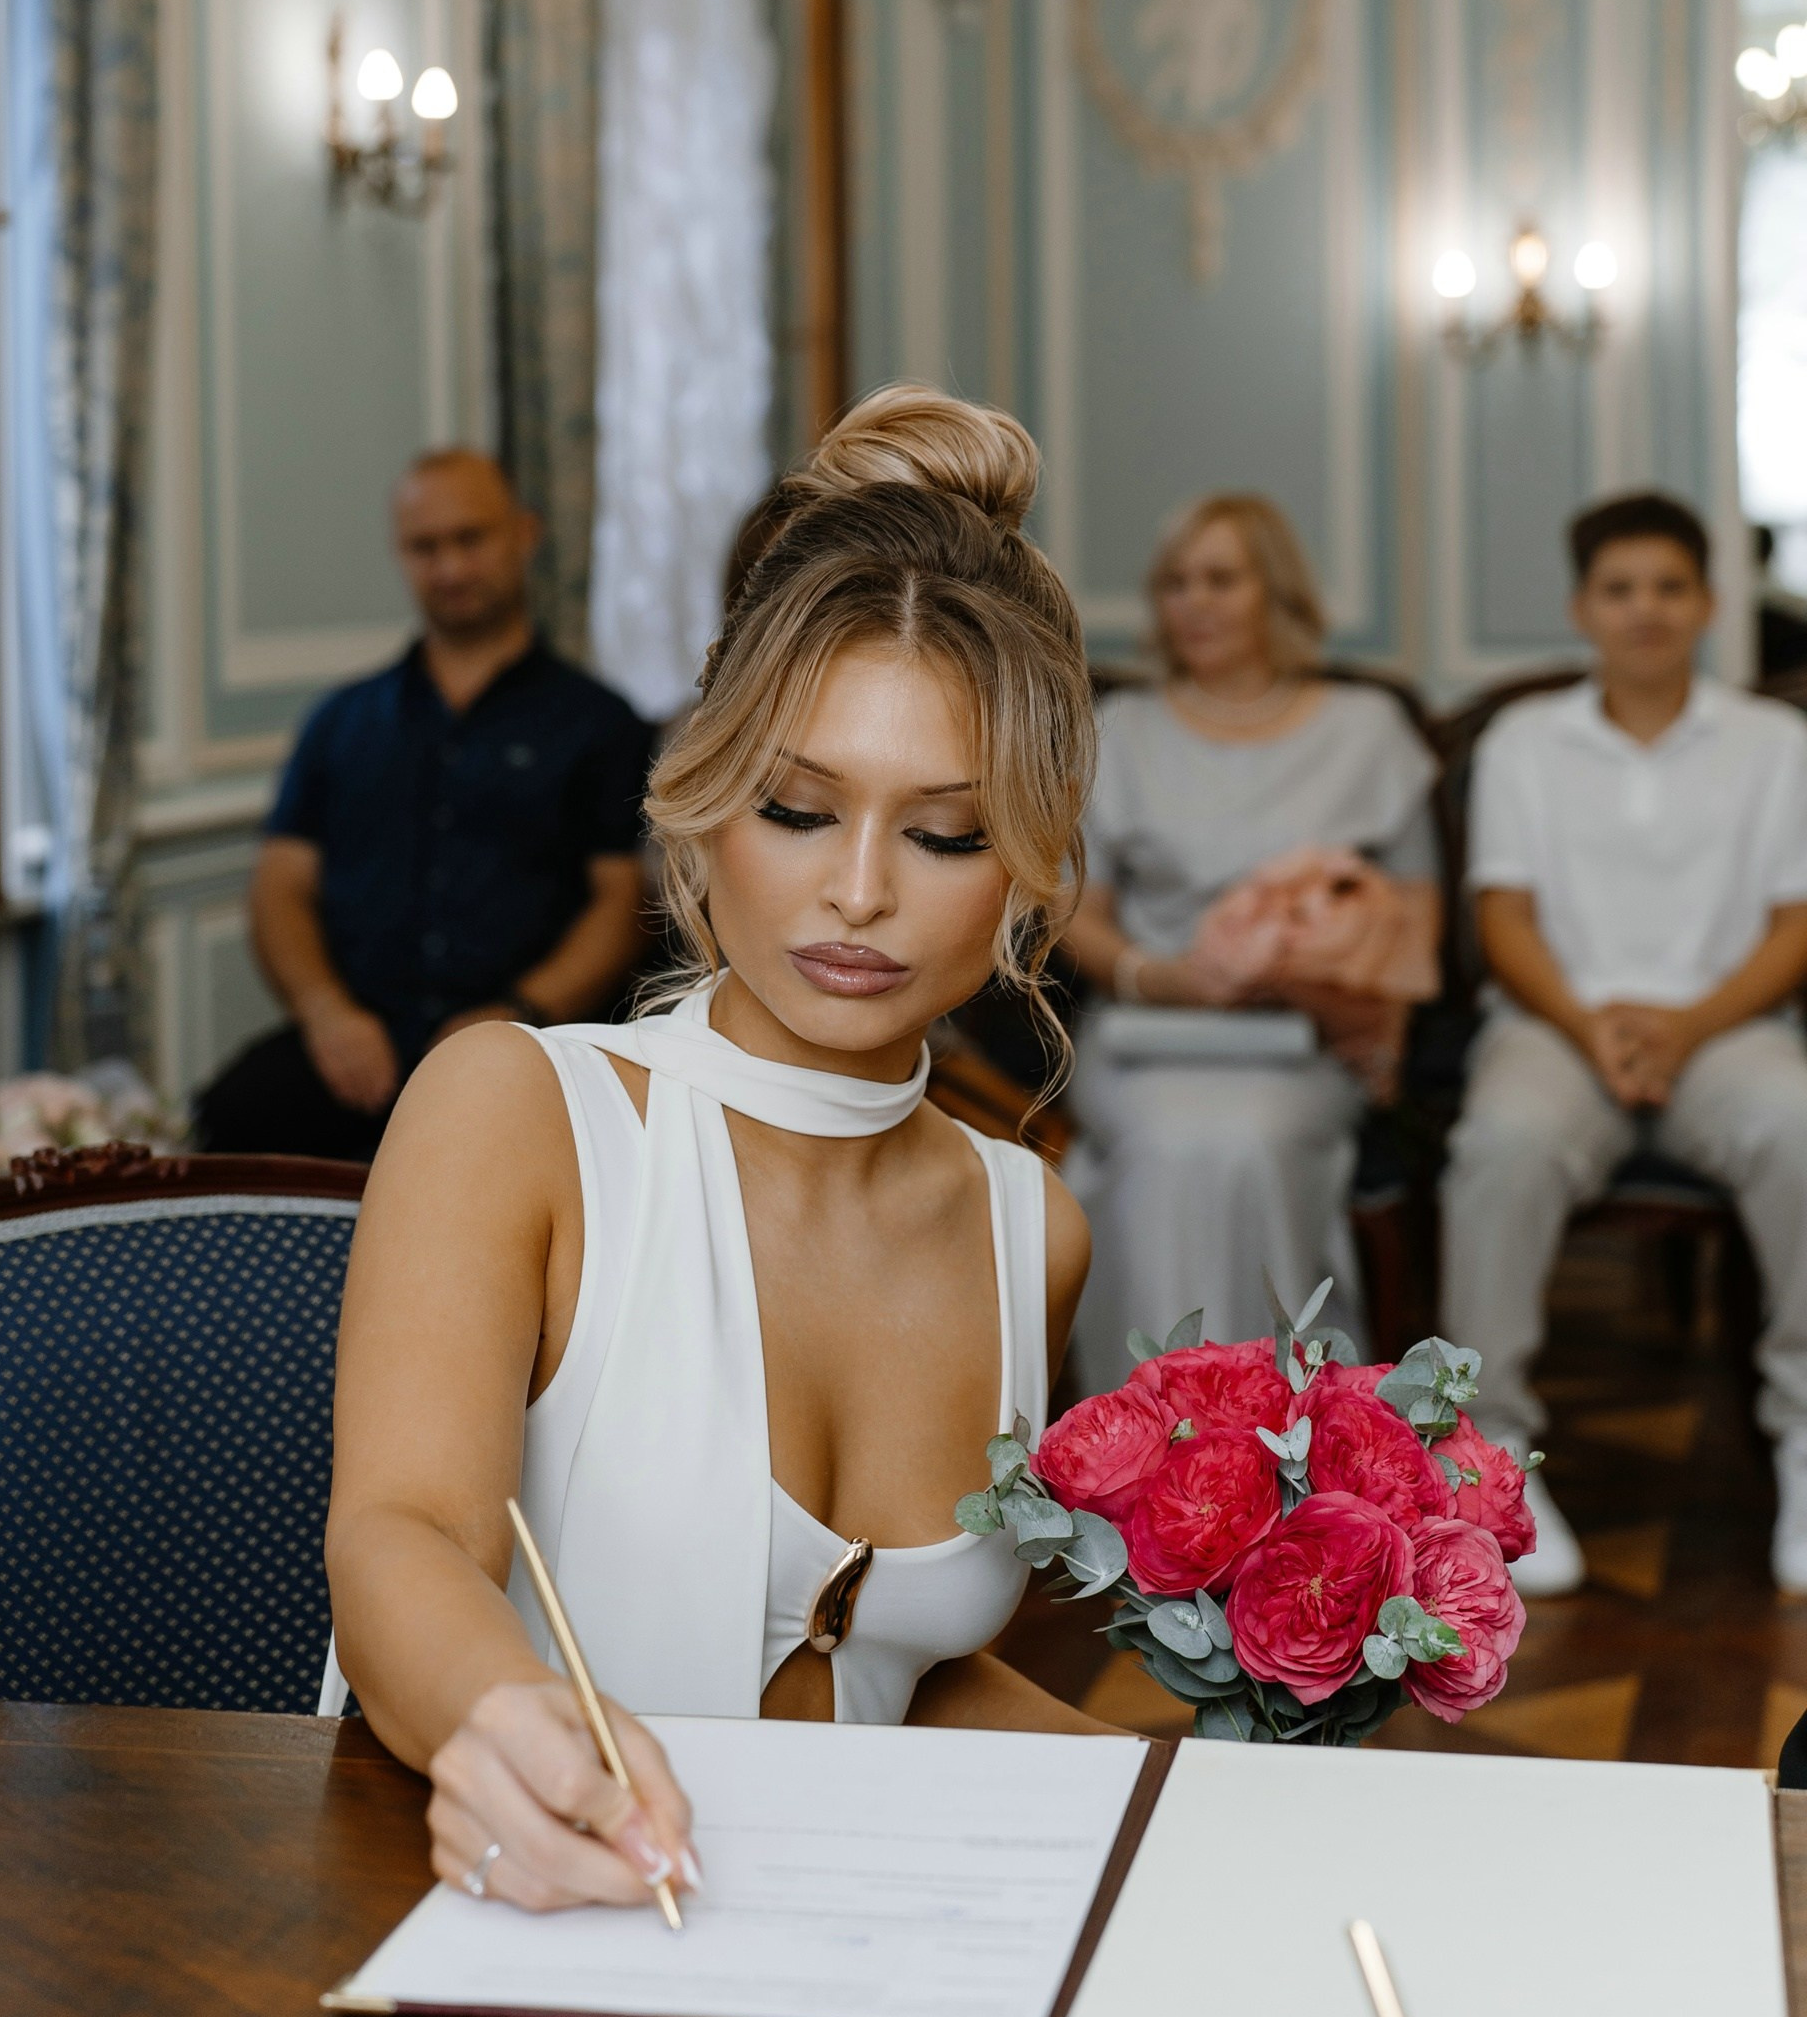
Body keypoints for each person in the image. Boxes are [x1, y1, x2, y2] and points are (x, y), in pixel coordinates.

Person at [325, 386, 1106, 1917]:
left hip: (867, 1952)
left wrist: (1200, 1807)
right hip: (518, 1904)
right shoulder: (518, 1111)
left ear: (1026, 859)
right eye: (799, 808)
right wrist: (509, 1723)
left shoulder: (1032, 1226)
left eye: (944, 835)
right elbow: (401, 1535)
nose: (860, 893)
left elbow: (906, 1683)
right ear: (702, 804)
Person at [1440, 489, 1807, 1596]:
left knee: (1800, 1126)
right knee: (1498, 1144)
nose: (1643, 610)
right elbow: (1500, 915)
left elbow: (1795, 922)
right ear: (1580, 607)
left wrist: (1686, 1025)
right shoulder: (1520, 741)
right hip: (1557, 1024)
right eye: (1618, 589)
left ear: (1704, 602)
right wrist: (1590, 1025)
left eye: (1666, 587)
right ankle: (1488, 1455)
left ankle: (1805, 1442)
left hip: (1727, 1025)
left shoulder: (1774, 742)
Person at [1059, 494, 1439, 1392]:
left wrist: (1352, 1006)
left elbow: (1418, 925)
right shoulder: (1123, 733)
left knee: (1251, 1141)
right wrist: (1165, 978)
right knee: (1161, 1143)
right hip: (1148, 1039)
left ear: (1275, 591)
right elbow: (1072, 912)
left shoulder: (1365, 730)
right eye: (1175, 583)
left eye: (1221, 579)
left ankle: (1289, 1428)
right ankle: (1150, 1440)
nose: (1194, 602)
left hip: (1299, 1045)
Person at [195, 449, 654, 1164]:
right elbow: (279, 887)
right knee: (233, 1113)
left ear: (523, 535)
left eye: (470, 540)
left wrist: (519, 1015)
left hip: (531, 1044)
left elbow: (619, 903)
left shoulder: (600, 725)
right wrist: (326, 1014)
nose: (449, 568)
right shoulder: (340, 722)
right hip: (359, 1045)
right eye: (424, 547)